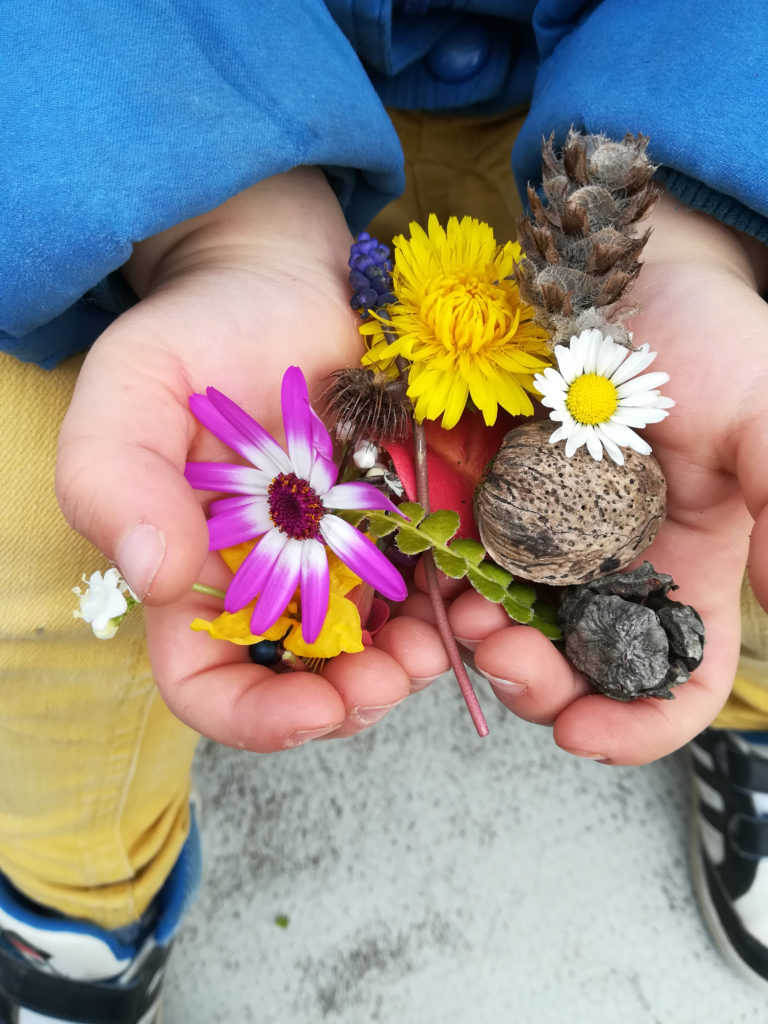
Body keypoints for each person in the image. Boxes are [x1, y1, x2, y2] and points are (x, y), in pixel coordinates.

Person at [2, 1, 768, 1019]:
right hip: (171, 120)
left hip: (661, 149)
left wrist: (709, 217)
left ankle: (749, 708)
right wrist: (217, 229)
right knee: (35, 512)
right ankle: (81, 880)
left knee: (728, 469)